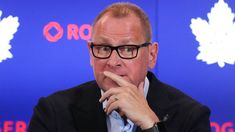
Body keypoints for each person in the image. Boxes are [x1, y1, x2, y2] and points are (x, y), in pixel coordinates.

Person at [28, 2, 211, 132]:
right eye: (104, 48)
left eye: (128, 49)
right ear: (91, 53)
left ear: (152, 55)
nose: (113, 61)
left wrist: (151, 125)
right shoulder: (53, 112)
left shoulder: (190, 116)